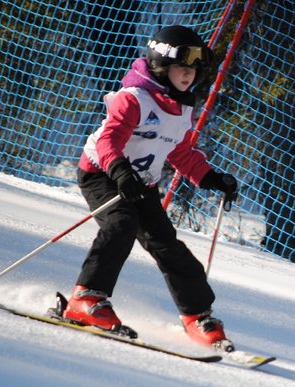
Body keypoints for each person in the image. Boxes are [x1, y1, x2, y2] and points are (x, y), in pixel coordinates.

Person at [62, 25, 238, 350]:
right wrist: (120, 171)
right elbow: (108, 140)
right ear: (161, 65)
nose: (188, 76)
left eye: (194, 70)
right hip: (103, 173)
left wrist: (211, 177)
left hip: (141, 182)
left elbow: (180, 151)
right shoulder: (134, 99)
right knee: (121, 224)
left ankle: (198, 316)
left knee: (168, 245)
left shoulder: (183, 107)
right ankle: (86, 298)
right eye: (182, 68)